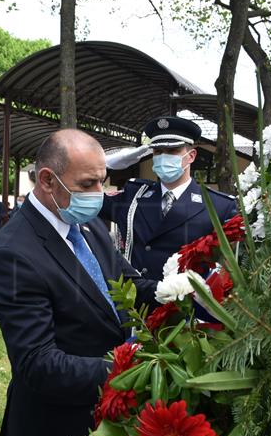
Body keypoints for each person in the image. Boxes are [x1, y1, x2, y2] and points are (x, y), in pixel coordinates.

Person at [0, 129, 149, 436]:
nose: (98, 194)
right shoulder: (13, 253)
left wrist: (191, 291)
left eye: (102, 182)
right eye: (87, 183)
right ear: (47, 180)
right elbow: (39, 363)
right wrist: (131, 369)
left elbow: (129, 284)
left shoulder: (87, 226)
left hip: (106, 424)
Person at [101, 116, 237, 304]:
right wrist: (104, 165)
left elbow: (231, 268)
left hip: (186, 314)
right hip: (136, 308)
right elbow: (82, 200)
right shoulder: (133, 195)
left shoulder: (220, 207)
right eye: (158, 151)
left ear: (191, 156)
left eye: (172, 150)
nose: (164, 156)